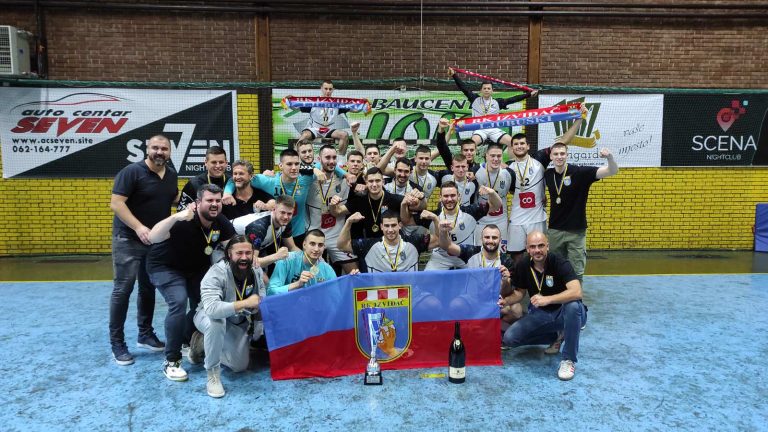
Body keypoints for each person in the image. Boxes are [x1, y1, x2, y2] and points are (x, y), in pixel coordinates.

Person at [146, 184, 235, 382]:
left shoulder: (220, 221)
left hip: (195, 269)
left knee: (206, 302)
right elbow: (152, 237)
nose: (214, 204)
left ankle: (187, 339)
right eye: (209, 200)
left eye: (218, 200)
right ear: (198, 202)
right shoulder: (184, 219)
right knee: (178, 301)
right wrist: (175, 217)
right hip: (166, 267)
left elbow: (233, 246)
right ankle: (172, 361)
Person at [109, 134, 179, 365]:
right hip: (128, 239)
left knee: (148, 287)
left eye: (164, 149)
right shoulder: (132, 172)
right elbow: (116, 203)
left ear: (169, 152)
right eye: (155, 148)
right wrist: (138, 227)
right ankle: (117, 344)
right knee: (123, 289)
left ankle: (145, 334)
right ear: (147, 149)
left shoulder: (171, 175)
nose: (159, 152)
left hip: (154, 241)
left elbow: (172, 199)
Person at [500, 231, 587, 381]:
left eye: (541, 246)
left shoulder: (559, 262)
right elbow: (520, 293)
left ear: (547, 246)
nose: (537, 250)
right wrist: (506, 301)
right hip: (542, 315)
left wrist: (548, 299)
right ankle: (557, 336)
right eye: (533, 247)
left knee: (573, 306)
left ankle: (568, 360)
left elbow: (577, 292)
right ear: (527, 249)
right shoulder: (523, 265)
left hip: (564, 312)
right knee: (510, 338)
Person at [189, 235, 266, 398]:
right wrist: (245, 303)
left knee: (239, 366)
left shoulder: (256, 270)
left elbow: (261, 297)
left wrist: (258, 321)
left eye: (248, 253)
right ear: (229, 254)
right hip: (207, 315)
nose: (244, 257)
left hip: (237, 320)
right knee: (216, 324)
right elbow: (212, 309)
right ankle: (212, 374)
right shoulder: (216, 272)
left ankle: (205, 344)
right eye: (239, 253)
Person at [506, 105, 587, 261]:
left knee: (540, 255)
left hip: (537, 218)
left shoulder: (539, 159)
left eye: (522, 143)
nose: (519, 146)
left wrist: (579, 119)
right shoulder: (508, 168)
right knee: (517, 257)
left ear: (528, 146)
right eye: (516, 144)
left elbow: (563, 142)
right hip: (516, 218)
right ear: (512, 148)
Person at [545, 143, 618, 281]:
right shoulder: (548, 175)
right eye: (556, 154)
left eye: (562, 153)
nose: (559, 157)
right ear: (551, 157)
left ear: (567, 155)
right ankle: (558, 294)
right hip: (555, 230)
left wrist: (609, 157)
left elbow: (612, 171)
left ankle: (576, 294)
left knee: (576, 270)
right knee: (554, 267)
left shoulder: (581, 172)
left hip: (576, 232)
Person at [223, 149, 317, 246]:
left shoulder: (306, 179)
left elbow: (323, 164)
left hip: (298, 233)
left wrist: (315, 170)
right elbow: (236, 180)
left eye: (297, 164)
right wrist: (227, 193)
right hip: (275, 235)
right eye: (289, 164)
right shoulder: (267, 181)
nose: (294, 167)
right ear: (280, 165)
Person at [440, 224, 519, 329]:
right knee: (456, 305)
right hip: (472, 299)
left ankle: (493, 327)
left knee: (516, 310)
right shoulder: (471, 252)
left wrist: (505, 280)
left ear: (500, 240)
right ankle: (470, 327)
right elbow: (447, 246)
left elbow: (507, 293)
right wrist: (443, 231)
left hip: (495, 301)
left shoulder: (507, 261)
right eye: (487, 237)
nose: (490, 241)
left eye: (494, 237)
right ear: (481, 239)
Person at [414, 181, 500, 270]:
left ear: (458, 196)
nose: (449, 199)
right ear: (440, 197)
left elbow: (496, 205)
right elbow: (406, 219)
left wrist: (492, 193)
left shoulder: (471, 211)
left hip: (465, 256)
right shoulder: (432, 216)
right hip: (441, 257)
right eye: (446, 196)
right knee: (427, 277)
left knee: (478, 277)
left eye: (453, 195)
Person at [449, 67, 537, 148]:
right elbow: (463, 88)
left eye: (488, 88)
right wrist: (454, 75)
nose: (486, 90)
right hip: (479, 129)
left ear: (492, 91)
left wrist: (529, 94)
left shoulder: (497, 102)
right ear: (481, 90)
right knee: (470, 146)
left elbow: (513, 99)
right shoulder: (474, 99)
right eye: (484, 88)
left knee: (513, 143)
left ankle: (513, 160)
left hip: (494, 129)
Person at [306, 145, 359, 274]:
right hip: (314, 236)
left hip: (337, 237)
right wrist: (314, 169)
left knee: (356, 274)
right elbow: (295, 169)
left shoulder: (345, 179)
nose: (331, 161)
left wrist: (360, 186)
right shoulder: (308, 180)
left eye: (334, 157)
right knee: (313, 276)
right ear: (319, 159)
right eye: (327, 157)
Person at [338, 210, 437, 273]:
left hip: (409, 293)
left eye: (393, 225)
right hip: (380, 295)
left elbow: (438, 240)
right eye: (386, 226)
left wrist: (435, 219)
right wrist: (348, 222)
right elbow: (342, 245)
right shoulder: (369, 245)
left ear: (400, 225)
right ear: (381, 227)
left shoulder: (414, 242)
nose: (390, 230)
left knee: (432, 300)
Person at [329, 167, 414, 239]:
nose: (374, 184)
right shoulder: (359, 201)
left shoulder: (396, 200)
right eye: (371, 181)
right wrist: (333, 204)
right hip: (369, 244)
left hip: (391, 243)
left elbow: (412, 214)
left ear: (383, 182)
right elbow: (337, 212)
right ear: (366, 182)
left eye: (377, 181)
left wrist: (417, 198)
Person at [267, 229, 339, 295]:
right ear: (304, 244)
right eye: (312, 244)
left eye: (320, 245)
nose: (316, 249)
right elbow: (271, 292)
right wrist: (298, 284)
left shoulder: (327, 269)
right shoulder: (286, 260)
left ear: (324, 247)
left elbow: (335, 296)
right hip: (289, 303)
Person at [242, 195, 299, 273]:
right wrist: (277, 256)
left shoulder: (285, 222)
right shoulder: (259, 227)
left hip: (257, 249)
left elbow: (292, 247)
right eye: (282, 212)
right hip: (233, 251)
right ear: (274, 209)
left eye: (289, 214)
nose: (286, 217)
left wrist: (308, 258)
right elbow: (251, 263)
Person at [474, 143, 514, 251]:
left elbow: (515, 192)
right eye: (492, 156)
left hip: (501, 220)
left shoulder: (509, 173)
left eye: (499, 156)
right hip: (481, 220)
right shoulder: (475, 171)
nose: (496, 159)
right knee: (480, 252)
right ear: (486, 156)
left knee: (501, 253)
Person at [297, 80, 350, 152]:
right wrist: (288, 101)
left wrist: (363, 103)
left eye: (330, 89)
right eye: (326, 89)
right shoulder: (313, 101)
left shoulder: (337, 103)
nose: (328, 91)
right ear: (321, 88)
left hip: (329, 129)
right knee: (304, 135)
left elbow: (355, 109)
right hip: (314, 129)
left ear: (333, 90)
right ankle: (296, 157)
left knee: (344, 135)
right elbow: (295, 107)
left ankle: (340, 157)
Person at [178, 146, 228, 211]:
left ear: (226, 163)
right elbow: (181, 210)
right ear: (206, 163)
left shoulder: (233, 182)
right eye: (214, 162)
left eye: (221, 162)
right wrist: (188, 209)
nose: (218, 166)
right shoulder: (194, 184)